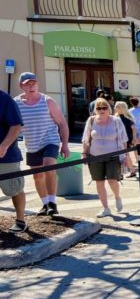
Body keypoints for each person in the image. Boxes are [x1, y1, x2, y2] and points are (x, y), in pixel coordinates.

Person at [14, 72, 70, 216]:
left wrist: (64, 145)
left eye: (34, 83)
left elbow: (62, 124)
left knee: (48, 167)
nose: (31, 86)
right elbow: (13, 126)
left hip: (49, 141)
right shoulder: (16, 103)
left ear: (38, 84)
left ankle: (52, 203)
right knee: (37, 176)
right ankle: (45, 204)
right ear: (21, 86)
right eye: (28, 84)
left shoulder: (47, 101)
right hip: (32, 144)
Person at [82, 97, 127, 218]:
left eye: (104, 107)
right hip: (95, 156)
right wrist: (84, 153)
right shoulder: (91, 121)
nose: (102, 110)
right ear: (95, 110)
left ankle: (117, 197)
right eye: (99, 108)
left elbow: (123, 140)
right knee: (99, 182)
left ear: (109, 109)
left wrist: (125, 157)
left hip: (113, 156)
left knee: (112, 180)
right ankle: (105, 208)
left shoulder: (116, 121)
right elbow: (86, 139)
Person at [0, 89, 27, 233]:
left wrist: (4, 145)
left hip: (6, 156)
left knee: (14, 188)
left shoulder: (5, 99)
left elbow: (16, 126)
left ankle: (21, 220)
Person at [113, 101, 137, 178]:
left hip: (125, 140)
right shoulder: (116, 117)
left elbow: (133, 128)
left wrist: (134, 138)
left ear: (121, 108)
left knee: (124, 155)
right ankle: (130, 171)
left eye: (117, 107)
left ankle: (122, 173)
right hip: (120, 139)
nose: (115, 108)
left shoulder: (126, 117)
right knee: (124, 155)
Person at [128, 97, 140, 174]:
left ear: (131, 103)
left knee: (135, 146)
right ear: (138, 102)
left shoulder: (129, 111)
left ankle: (137, 159)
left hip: (134, 129)